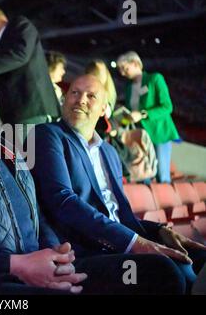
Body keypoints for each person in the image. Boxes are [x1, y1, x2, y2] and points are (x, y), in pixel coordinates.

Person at [0, 52, 186, 295]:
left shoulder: (9, 147)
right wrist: (16, 265)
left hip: (33, 268)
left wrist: (58, 257)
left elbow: (37, 217)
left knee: (160, 273)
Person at [31, 74, 206, 293]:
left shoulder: (109, 152)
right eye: (74, 93)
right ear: (64, 100)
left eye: (91, 95)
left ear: (104, 108)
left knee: (197, 256)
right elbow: (63, 201)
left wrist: (159, 230)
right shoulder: (47, 135)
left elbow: (116, 214)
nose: (80, 99)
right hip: (86, 253)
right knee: (166, 271)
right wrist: (136, 243)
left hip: (119, 245)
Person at [0, 6, 59, 127]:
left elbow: (20, 54)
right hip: (22, 114)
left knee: (32, 146)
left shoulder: (20, 24)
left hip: (31, 109)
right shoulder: (6, 42)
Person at [117, 51, 179, 183]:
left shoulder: (155, 79)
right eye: (120, 70)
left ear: (135, 63)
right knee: (143, 175)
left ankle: (164, 203)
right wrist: (123, 119)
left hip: (159, 133)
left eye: (125, 68)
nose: (122, 73)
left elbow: (167, 107)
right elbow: (132, 114)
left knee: (162, 177)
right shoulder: (129, 87)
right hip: (140, 137)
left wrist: (142, 114)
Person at [85, 59, 117, 138]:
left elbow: (110, 116)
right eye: (100, 72)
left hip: (105, 136)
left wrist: (113, 126)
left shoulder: (108, 92)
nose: (104, 74)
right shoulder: (88, 92)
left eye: (104, 71)